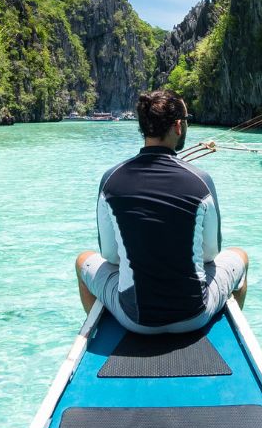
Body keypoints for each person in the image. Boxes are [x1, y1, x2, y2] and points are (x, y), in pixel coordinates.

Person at [76, 90, 248, 334]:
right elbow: (211, 253)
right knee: (240, 256)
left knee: (83, 260)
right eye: (186, 120)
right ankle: (231, 333)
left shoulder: (111, 179)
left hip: (135, 320)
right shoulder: (201, 180)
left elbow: (110, 256)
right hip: (195, 315)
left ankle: (101, 334)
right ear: (178, 126)